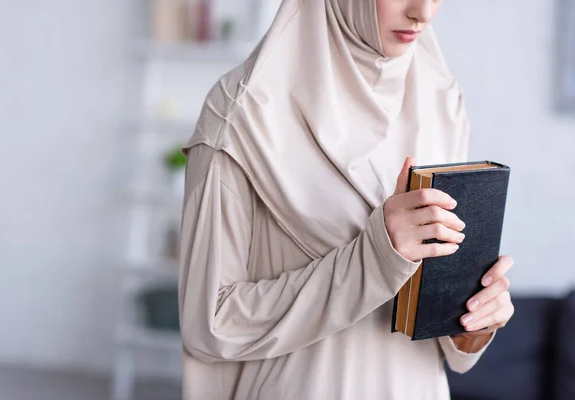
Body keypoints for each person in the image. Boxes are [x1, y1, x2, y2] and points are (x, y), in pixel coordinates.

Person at [177, 0, 515, 399]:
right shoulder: (244, 112)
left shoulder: (440, 98)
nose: (423, 13)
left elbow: (435, 319)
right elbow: (209, 323)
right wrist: (375, 258)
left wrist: (477, 318)